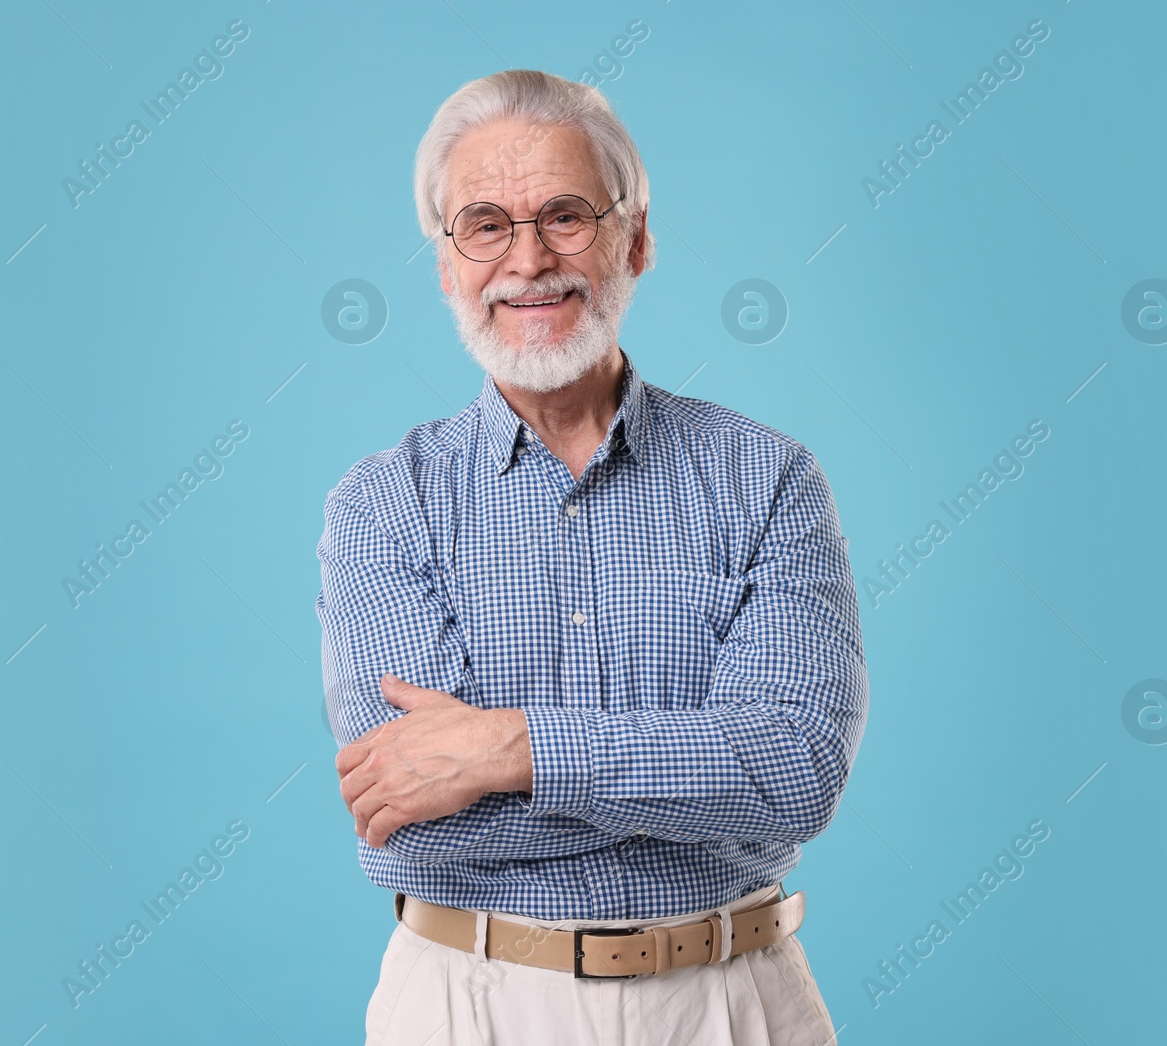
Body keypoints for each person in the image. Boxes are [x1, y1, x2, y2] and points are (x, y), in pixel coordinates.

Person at [317, 68, 868, 1045]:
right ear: (446, 264)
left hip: (731, 1000)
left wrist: (508, 748)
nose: (528, 259)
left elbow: (794, 767)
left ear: (636, 237)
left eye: (564, 215)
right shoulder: (380, 505)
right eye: (485, 224)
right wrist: (693, 776)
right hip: (467, 1003)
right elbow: (417, 812)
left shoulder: (770, 477)